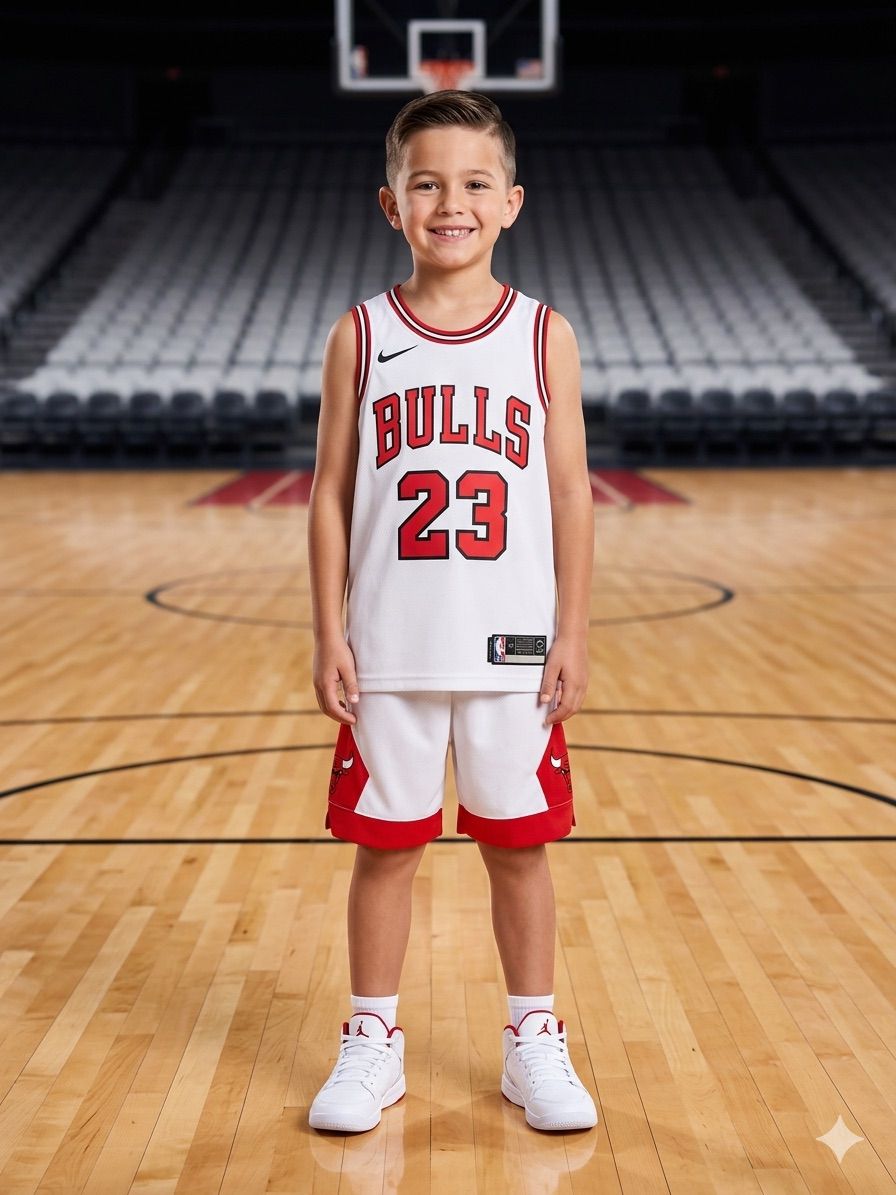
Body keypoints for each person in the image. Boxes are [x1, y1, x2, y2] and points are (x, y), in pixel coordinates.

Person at [306, 89, 596, 1134]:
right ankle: (372, 1039)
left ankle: (532, 1037)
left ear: (510, 202)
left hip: (512, 646)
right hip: (389, 643)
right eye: (425, 183)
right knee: (385, 846)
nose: (450, 203)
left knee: (518, 846)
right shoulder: (360, 333)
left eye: (474, 183)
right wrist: (326, 630)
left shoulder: (542, 334)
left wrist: (571, 630)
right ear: (392, 204)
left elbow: (570, 492)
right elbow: (330, 491)